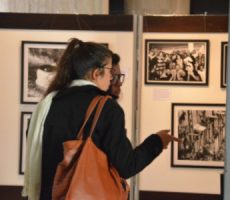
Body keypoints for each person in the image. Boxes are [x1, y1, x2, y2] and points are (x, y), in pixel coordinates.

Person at [22, 38, 179, 200]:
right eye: (110, 70)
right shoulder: (107, 108)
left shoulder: (48, 103)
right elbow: (126, 166)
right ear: (96, 73)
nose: (112, 77)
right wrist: (158, 141)